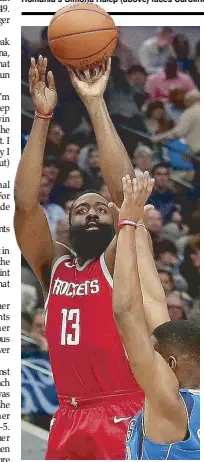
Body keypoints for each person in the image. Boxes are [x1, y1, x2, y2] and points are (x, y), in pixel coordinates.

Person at [15, 56, 147, 460]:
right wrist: (41, 116)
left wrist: (94, 103)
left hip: (124, 409)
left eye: (100, 209)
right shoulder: (54, 268)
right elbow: (24, 206)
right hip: (69, 414)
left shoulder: (119, 257)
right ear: (67, 225)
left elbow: (126, 193)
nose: (91, 212)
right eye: (81, 209)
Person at [112, 175, 200, 460]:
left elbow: (126, 314)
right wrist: (138, 226)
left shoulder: (171, 406)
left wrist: (125, 226)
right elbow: (153, 299)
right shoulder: (188, 402)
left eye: (151, 349)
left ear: (171, 365)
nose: (136, 352)